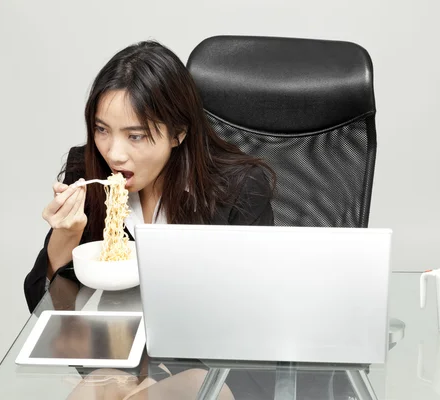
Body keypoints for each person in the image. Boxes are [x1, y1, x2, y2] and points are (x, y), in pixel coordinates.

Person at [24, 40, 275, 313]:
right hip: (114, 342)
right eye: (102, 130)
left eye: (135, 136)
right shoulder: (86, 170)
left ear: (178, 133)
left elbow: (256, 306)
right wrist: (67, 234)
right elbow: (43, 309)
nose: (114, 154)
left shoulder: (241, 188)